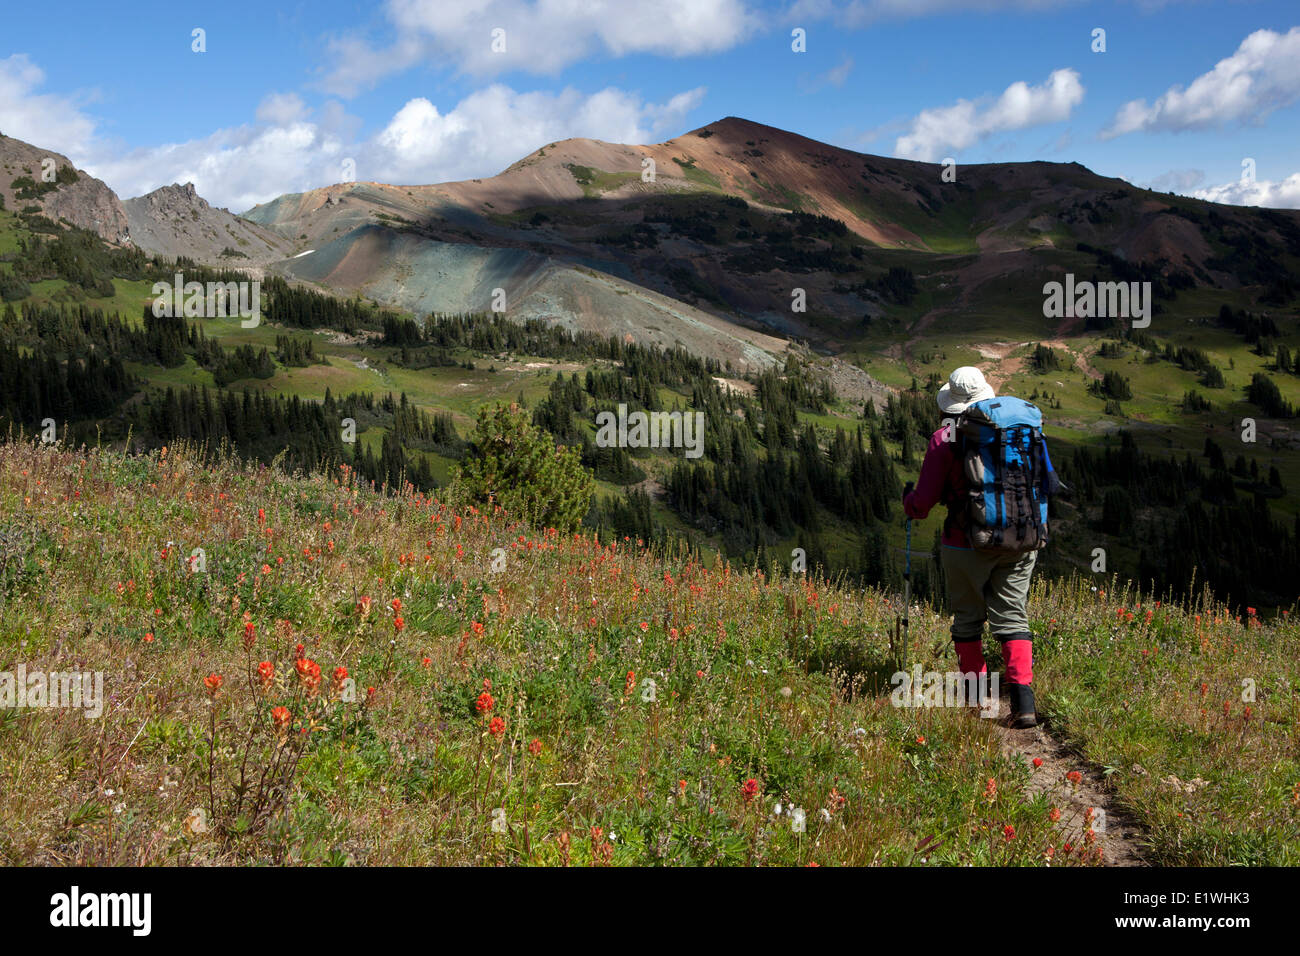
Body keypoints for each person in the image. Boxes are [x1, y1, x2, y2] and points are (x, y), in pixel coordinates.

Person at [901, 367, 1048, 728]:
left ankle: (977, 700)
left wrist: (909, 500)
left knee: (968, 618)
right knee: (1013, 616)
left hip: (964, 543)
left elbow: (921, 505)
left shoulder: (944, 439)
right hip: (1021, 537)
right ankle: (1024, 704)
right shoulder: (1019, 431)